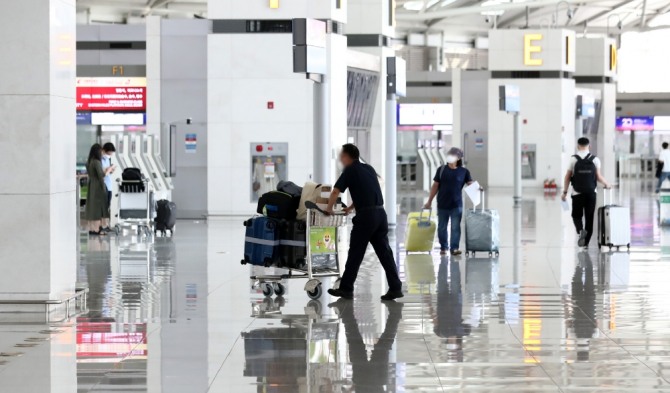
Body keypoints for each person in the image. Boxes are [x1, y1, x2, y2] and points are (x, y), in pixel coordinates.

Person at [325, 144, 403, 301]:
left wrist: (329, 208)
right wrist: (351, 207)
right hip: (380, 214)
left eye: (342, 155)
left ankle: (346, 289)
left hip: (366, 217)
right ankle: (395, 288)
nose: (340, 158)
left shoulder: (349, 170)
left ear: (347, 157)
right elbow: (368, 189)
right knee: (385, 253)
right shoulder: (369, 168)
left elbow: (335, 191)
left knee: (355, 252)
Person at [423, 147, 474, 256]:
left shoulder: (464, 172)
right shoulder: (441, 170)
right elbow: (435, 186)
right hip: (442, 204)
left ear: (459, 158)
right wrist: (429, 201)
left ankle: (454, 248)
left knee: (455, 227)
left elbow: (471, 184)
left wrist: (478, 188)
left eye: (453, 155)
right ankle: (443, 247)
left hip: (456, 204)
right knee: (442, 227)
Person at [561, 137, 611, 248]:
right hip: (591, 193)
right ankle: (586, 243)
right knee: (589, 218)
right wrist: (607, 184)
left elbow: (567, 177)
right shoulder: (595, 159)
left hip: (577, 193)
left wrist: (564, 192)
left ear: (578, 146)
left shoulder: (573, 159)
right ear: (589, 146)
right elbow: (598, 177)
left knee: (576, 216)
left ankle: (580, 231)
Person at [85, 144, 112, 236]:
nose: (102, 153)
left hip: (92, 185)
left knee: (93, 207)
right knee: (99, 208)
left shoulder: (89, 161)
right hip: (98, 186)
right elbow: (101, 175)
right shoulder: (96, 162)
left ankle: (94, 229)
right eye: (101, 151)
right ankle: (97, 230)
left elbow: (95, 174)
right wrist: (109, 170)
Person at [100, 142, 117, 232]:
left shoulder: (107, 160)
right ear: (104, 151)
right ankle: (102, 225)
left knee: (107, 206)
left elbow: (107, 172)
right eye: (109, 153)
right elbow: (103, 173)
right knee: (104, 206)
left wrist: (111, 170)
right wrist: (109, 169)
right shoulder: (101, 159)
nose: (110, 155)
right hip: (104, 185)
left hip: (109, 185)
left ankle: (106, 225)